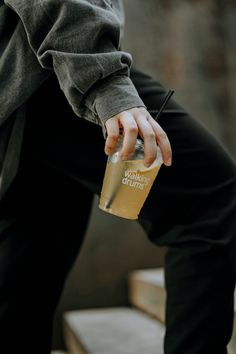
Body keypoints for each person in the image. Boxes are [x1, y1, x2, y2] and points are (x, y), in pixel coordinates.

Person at [0, 1, 235, 353]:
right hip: (50, 73)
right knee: (209, 202)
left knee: (29, 268)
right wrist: (105, 82)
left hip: (22, 80)